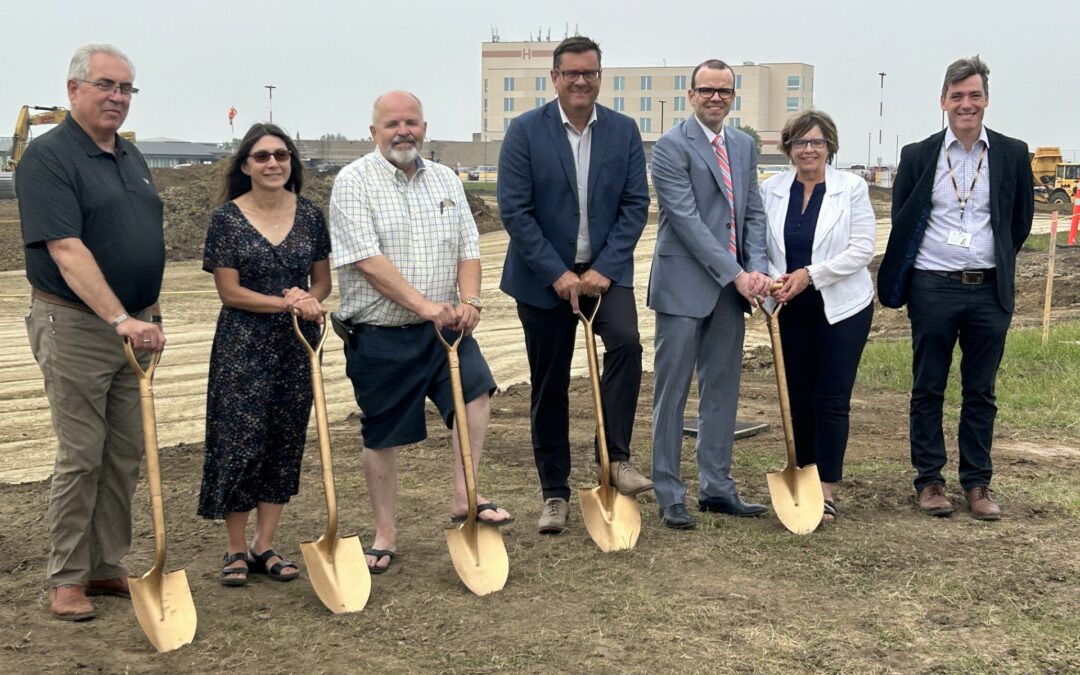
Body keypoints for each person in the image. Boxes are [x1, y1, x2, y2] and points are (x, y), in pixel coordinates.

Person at [329, 91, 512, 574]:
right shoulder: (353, 183)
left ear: (424, 128)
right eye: (391, 124)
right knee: (382, 434)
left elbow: (468, 249)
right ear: (374, 132)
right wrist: (426, 306)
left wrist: (470, 301)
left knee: (476, 394)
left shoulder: (447, 180)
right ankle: (385, 533)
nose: (402, 131)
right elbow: (368, 263)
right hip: (380, 333)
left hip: (446, 330)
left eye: (410, 122)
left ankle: (464, 496)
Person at [18, 44, 165, 621]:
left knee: (124, 453)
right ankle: (67, 578)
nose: (117, 98)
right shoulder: (48, 158)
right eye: (106, 85)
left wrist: (147, 317)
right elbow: (66, 249)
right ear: (74, 88)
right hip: (78, 325)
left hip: (134, 325)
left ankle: (106, 564)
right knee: (82, 453)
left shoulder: (129, 156)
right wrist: (120, 319)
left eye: (127, 89)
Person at [497, 35, 652, 535]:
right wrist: (557, 273)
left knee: (627, 344)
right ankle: (555, 492)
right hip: (544, 280)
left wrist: (603, 269)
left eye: (590, 73)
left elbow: (635, 206)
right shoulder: (525, 131)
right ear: (556, 78)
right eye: (572, 74)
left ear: (600, 76)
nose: (581, 81)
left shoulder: (624, 132)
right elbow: (515, 211)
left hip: (606, 273)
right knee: (550, 383)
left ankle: (616, 458)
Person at [878, 56, 1034, 520]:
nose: (966, 104)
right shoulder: (918, 155)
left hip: (988, 290)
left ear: (986, 99)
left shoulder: (1011, 152)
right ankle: (929, 480)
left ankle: (977, 483)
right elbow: (903, 219)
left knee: (980, 391)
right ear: (943, 101)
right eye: (957, 96)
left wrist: (993, 260)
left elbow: (1019, 221)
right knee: (928, 387)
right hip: (933, 287)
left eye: (975, 95)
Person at [197, 123, 331, 586]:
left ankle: (264, 544)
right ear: (245, 165)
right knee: (240, 442)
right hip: (243, 346)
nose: (273, 163)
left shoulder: (311, 215)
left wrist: (308, 300)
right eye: (262, 156)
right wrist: (287, 301)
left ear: (291, 162)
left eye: (281, 155)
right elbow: (230, 292)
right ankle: (235, 548)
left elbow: (322, 282)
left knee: (283, 440)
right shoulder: (227, 220)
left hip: (296, 345)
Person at [648, 59, 772, 530]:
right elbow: (687, 222)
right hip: (684, 287)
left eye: (724, 91)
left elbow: (752, 213)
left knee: (721, 392)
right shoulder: (671, 147)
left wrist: (757, 271)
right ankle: (670, 493)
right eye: (707, 90)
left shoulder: (742, 146)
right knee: (672, 394)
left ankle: (717, 488)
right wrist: (736, 274)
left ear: (733, 98)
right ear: (691, 95)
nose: (715, 98)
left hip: (731, 292)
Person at [760, 110, 877, 523]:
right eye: (800, 143)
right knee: (799, 398)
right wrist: (772, 282)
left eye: (817, 142)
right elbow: (761, 246)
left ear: (830, 146)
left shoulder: (852, 188)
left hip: (842, 307)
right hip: (789, 308)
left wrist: (812, 274)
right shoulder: (771, 190)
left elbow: (863, 249)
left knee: (831, 397)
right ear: (788, 148)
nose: (809, 149)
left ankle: (825, 488)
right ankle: (801, 476)